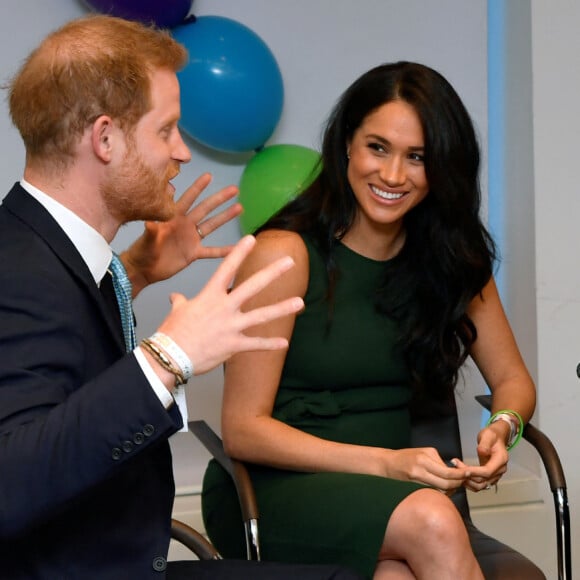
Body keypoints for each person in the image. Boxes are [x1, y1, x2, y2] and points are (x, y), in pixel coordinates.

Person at [0, 14, 364, 580]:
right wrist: (168, 357)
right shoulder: (18, 272)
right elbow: (11, 483)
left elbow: (63, 346)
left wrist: (134, 273)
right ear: (105, 139)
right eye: (167, 130)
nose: (183, 152)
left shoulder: (40, 249)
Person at [201, 61, 537, 579]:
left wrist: (505, 427)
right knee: (432, 518)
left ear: (443, 167)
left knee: (395, 576)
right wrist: (386, 463)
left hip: (385, 492)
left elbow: (514, 381)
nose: (394, 175)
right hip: (267, 489)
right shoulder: (283, 255)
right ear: (346, 147)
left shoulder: (452, 263)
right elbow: (243, 431)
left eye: (418, 157)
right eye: (377, 147)